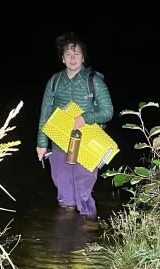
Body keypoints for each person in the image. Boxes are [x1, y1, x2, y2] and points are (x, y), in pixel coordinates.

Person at [36, 31, 113, 219]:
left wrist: (86, 118)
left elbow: (108, 112)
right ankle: (65, 236)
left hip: (88, 142)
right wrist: (41, 144)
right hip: (59, 142)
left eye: (76, 53)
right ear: (62, 58)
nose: (73, 58)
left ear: (83, 57)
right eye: (68, 54)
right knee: (63, 191)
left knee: (83, 188)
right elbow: (44, 114)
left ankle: (89, 227)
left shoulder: (94, 81)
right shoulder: (54, 82)